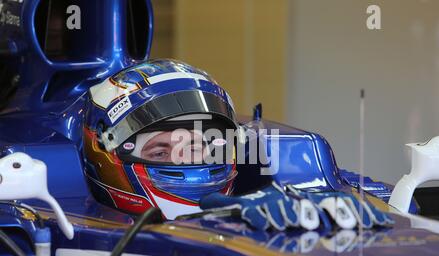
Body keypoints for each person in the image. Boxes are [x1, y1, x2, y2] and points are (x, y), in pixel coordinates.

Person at [83, 59, 393, 231]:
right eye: (161, 151)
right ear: (106, 155)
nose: (186, 163)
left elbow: (388, 201)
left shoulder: (263, 207)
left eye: (195, 148)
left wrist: (325, 202)